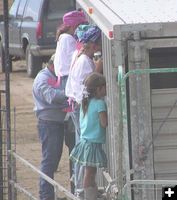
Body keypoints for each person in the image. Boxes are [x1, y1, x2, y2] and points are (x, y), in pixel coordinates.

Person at [65, 25, 103, 197]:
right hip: (80, 104)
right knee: (86, 157)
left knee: (84, 152)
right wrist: (100, 66)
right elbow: (91, 81)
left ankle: (81, 188)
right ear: (93, 46)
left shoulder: (81, 57)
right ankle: (82, 190)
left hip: (78, 104)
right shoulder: (84, 62)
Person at [32, 55, 67, 200]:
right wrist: (69, 93)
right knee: (49, 160)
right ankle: (45, 196)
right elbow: (51, 96)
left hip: (56, 123)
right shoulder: (43, 78)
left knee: (53, 159)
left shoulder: (55, 76)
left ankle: (47, 194)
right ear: (54, 64)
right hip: (48, 124)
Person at [70, 72, 108, 200]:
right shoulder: (100, 104)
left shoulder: (85, 103)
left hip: (86, 141)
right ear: (99, 89)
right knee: (90, 173)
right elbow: (104, 123)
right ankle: (88, 196)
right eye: (105, 86)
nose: (106, 89)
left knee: (91, 172)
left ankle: (92, 193)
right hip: (92, 143)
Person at [54, 10, 87, 88]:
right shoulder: (67, 38)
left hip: (63, 77)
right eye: (80, 25)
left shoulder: (63, 37)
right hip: (66, 77)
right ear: (74, 26)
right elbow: (75, 58)